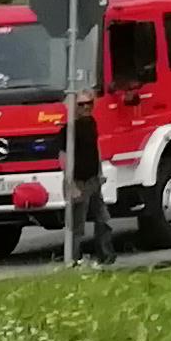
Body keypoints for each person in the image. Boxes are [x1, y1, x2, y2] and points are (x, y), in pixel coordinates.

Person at [69, 93, 115, 266]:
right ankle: (74, 259)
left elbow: (95, 150)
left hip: (93, 179)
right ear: (75, 107)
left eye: (89, 103)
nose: (86, 107)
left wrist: (100, 173)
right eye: (81, 104)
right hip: (79, 181)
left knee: (102, 217)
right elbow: (64, 156)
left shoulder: (91, 123)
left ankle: (106, 255)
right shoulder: (70, 128)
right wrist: (71, 183)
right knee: (77, 223)